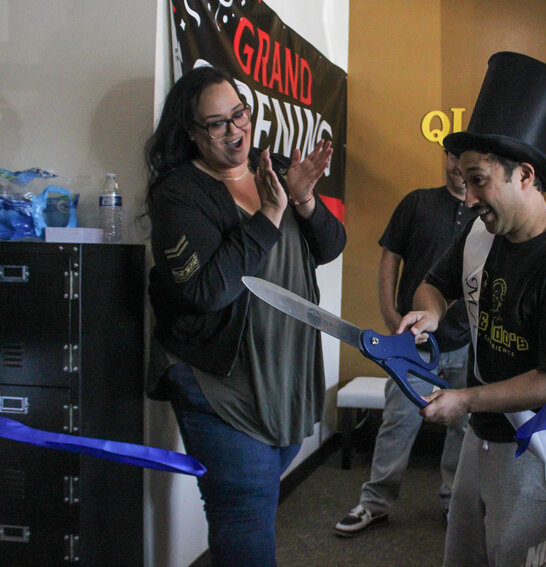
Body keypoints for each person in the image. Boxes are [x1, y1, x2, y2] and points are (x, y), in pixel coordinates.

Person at [398, 52, 546, 567]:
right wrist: (429, 313)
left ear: (525, 176)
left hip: (543, 450)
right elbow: (434, 284)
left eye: (479, 180)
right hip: (483, 435)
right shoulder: (479, 231)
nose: (467, 199)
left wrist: (463, 400)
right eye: (464, 182)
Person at [144, 66, 346, 567]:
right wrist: (269, 215)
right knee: (244, 516)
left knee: (256, 500)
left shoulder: (272, 168)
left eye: (239, 115)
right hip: (220, 379)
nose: (235, 132)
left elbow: (329, 246)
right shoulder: (179, 194)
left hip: (284, 373)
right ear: (191, 132)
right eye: (216, 124)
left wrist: (301, 199)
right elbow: (207, 291)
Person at [334, 150, 476, 536]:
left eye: (468, 162)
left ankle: (453, 503)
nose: (458, 168)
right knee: (397, 422)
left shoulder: (485, 211)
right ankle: (374, 502)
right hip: (411, 341)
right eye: (453, 157)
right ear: (446, 158)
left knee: (462, 428)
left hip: (467, 340)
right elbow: (389, 256)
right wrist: (387, 311)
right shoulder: (418, 202)